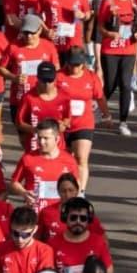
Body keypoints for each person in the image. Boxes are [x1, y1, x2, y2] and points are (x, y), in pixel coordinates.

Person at [96, 0, 137, 136]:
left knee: (125, 84)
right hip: (111, 49)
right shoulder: (108, 1)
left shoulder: (133, 0)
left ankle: (123, 122)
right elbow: (99, 26)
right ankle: (98, 107)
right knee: (110, 84)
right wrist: (109, 34)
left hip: (129, 49)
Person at [56, 48, 108, 191]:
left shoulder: (91, 77)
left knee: (81, 159)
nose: (74, 68)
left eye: (78, 65)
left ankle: (81, 191)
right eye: (72, 64)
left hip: (83, 124)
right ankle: (65, 189)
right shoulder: (59, 77)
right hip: (63, 125)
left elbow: (100, 97)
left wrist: (106, 115)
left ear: (83, 63)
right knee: (64, 160)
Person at [10, 119, 79, 212]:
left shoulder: (69, 160)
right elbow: (14, 183)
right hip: (35, 213)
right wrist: (24, 193)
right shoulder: (28, 158)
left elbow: (76, 187)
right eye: (39, 138)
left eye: (46, 138)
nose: (41, 142)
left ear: (57, 139)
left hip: (60, 213)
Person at [49, 197, 114, 273]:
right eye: (73, 217)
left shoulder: (98, 242)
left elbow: (109, 270)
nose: (78, 222)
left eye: (83, 218)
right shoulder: (52, 243)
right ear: (65, 218)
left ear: (89, 220)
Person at [38, 174, 108, 241]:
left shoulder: (85, 213)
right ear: (58, 192)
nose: (67, 195)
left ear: (77, 191)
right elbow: (37, 238)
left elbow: (102, 240)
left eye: (71, 190)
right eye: (63, 191)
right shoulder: (46, 212)